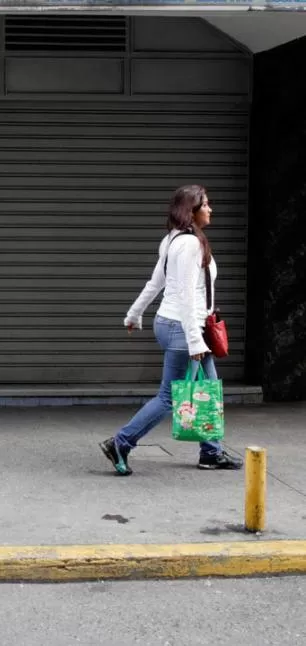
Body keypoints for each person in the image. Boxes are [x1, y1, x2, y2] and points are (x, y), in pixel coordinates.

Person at [99, 185, 243, 476]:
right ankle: (121, 442)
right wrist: (194, 341)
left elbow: (156, 283)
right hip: (184, 327)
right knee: (170, 396)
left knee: (207, 390)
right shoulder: (189, 245)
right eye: (206, 205)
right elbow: (189, 296)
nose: (210, 210)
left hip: (171, 323)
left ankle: (211, 452)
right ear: (191, 210)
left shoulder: (172, 240)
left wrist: (134, 314)